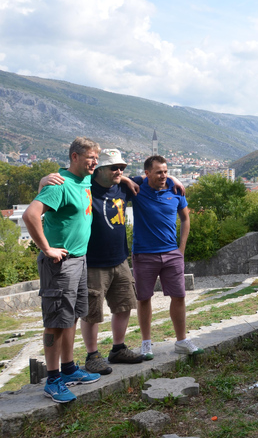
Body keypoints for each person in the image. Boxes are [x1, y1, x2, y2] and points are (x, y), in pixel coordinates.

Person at [39, 149, 147, 375]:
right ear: (98, 170)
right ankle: (92, 355)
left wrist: (171, 178)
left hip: (120, 259)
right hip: (93, 261)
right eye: (114, 168)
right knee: (91, 311)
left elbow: (153, 174)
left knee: (124, 304)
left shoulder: (123, 186)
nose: (119, 171)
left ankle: (118, 348)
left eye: (122, 168)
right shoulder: (86, 186)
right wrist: (42, 181)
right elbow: (63, 184)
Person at [21, 137, 102, 403]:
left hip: (79, 260)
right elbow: (31, 215)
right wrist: (47, 249)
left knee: (72, 317)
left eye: (96, 158)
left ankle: (68, 370)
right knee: (55, 322)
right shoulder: (60, 183)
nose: (95, 162)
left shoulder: (85, 180)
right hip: (60, 264)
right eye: (90, 157)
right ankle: (53, 380)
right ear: (75, 157)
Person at [131, 155, 201, 359]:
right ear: (147, 173)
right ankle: (146, 343)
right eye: (159, 172)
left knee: (179, 296)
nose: (163, 176)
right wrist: (130, 179)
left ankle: (181, 340)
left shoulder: (175, 190)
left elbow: (185, 218)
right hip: (144, 253)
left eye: (166, 172)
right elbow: (118, 179)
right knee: (144, 298)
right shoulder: (137, 189)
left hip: (172, 253)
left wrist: (182, 249)